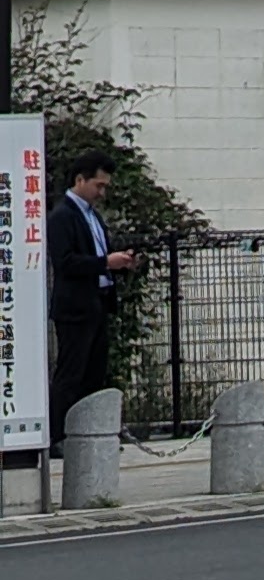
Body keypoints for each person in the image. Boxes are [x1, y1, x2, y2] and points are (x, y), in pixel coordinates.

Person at [46, 148, 142, 449]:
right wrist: (104, 263)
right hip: (75, 307)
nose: (102, 192)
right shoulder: (62, 216)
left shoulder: (94, 217)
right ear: (80, 179)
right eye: (98, 185)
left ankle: (90, 433)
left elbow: (101, 256)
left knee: (95, 371)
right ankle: (59, 435)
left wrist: (122, 263)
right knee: (71, 372)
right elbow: (66, 262)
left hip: (98, 302)